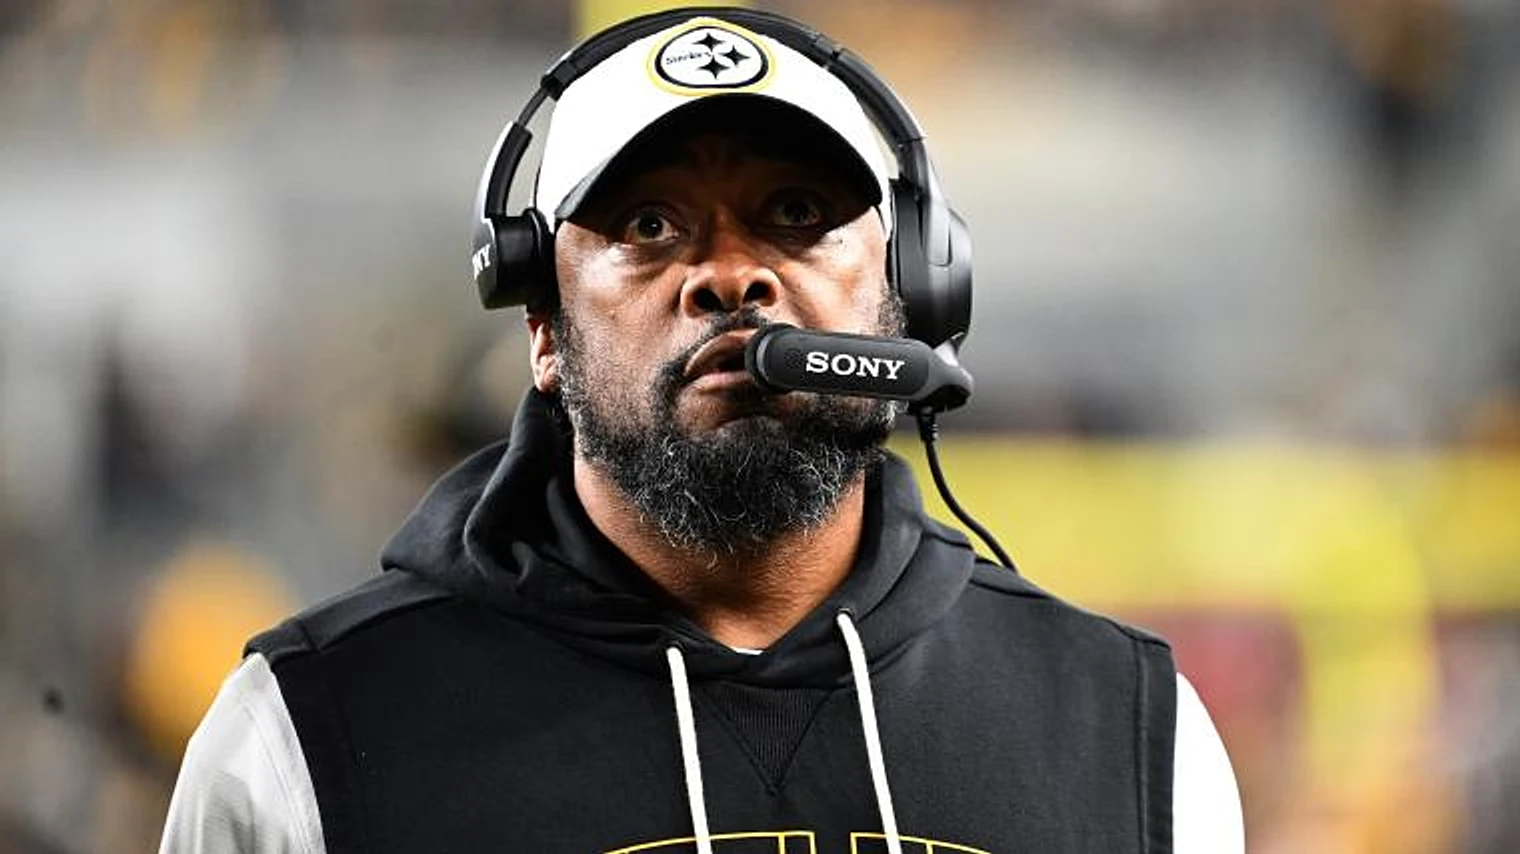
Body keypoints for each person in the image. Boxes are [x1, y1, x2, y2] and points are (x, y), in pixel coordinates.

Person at [160, 8, 1243, 853]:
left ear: (910, 290)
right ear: (543, 330)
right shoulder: (302, 738)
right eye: (649, 224)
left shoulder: (1130, 730)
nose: (730, 274)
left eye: (796, 214)